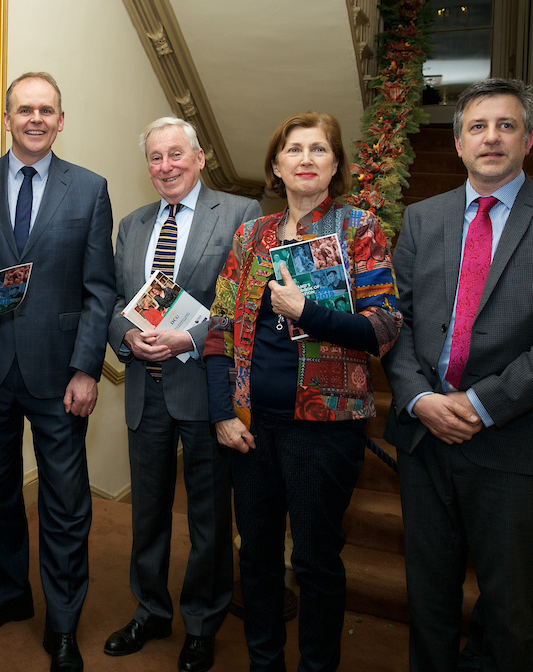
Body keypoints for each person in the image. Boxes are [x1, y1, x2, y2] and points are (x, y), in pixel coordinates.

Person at [383, 79, 533, 672]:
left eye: (506, 126)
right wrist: (418, 398)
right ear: (458, 143)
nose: (491, 138)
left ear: (528, 140)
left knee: (510, 613)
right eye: (477, 127)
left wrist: (479, 404)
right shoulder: (422, 219)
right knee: (428, 603)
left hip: (516, 446)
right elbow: (395, 320)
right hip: (424, 441)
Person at [206, 112, 400, 672]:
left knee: (315, 563)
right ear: (276, 165)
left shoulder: (357, 229)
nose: (306, 158)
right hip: (250, 427)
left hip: (325, 429)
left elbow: (385, 327)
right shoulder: (251, 235)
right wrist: (222, 413)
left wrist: (306, 312)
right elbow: (219, 326)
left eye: (319, 149)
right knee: (258, 558)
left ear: (336, 165)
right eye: (294, 149)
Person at [0, 72, 116, 672]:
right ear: (7, 118)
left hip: (60, 375)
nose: (35, 119)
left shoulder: (90, 189)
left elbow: (99, 290)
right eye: (24, 109)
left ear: (61, 119)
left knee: (66, 503)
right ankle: (8, 596)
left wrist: (87, 369)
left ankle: (64, 623)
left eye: (46, 110)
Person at [106, 117, 260, 672]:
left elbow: (245, 304)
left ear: (199, 157)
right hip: (144, 391)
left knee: (208, 518)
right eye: (156, 157)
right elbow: (116, 302)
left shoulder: (240, 213)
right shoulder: (132, 224)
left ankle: (201, 623)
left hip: (205, 389)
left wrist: (189, 338)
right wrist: (127, 338)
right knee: (147, 514)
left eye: (176, 154)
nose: (166, 166)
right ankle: (150, 610)